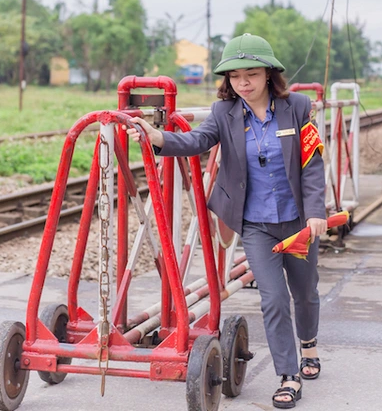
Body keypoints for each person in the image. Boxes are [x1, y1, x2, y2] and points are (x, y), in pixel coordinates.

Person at [126, 33, 326, 409]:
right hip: (255, 223)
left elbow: (312, 163)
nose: (243, 83)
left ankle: (309, 346)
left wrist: (316, 211)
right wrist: (159, 139)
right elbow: (198, 141)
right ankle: (289, 375)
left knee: (305, 292)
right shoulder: (224, 113)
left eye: (251, 74)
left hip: (298, 221)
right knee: (274, 298)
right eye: (235, 77)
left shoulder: (298, 107)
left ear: (269, 73)